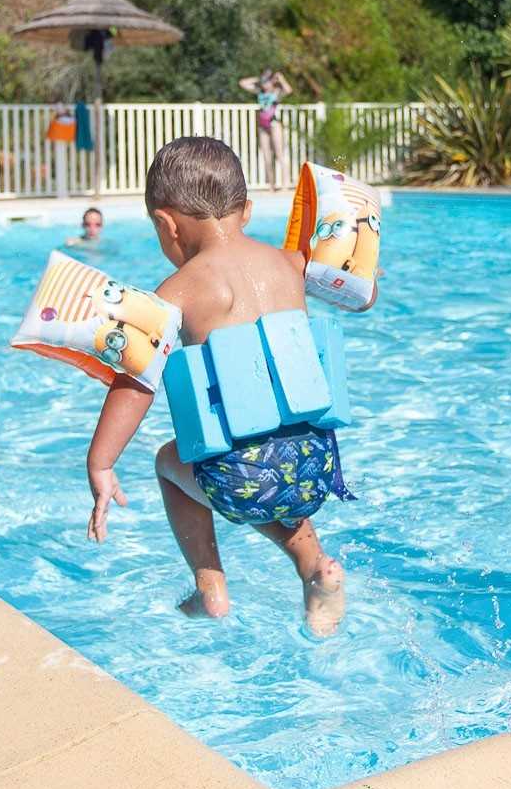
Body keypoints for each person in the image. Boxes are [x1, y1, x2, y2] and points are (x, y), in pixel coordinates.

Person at [82, 137, 351, 635]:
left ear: (166, 224)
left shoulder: (177, 291)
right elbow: (358, 291)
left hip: (240, 479)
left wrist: (100, 464)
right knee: (272, 459)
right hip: (318, 464)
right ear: (246, 210)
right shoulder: (291, 263)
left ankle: (211, 589)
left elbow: (135, 383)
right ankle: (316, 569)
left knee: (170, 462)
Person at [237, 69, 292, 189]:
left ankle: (285, 185)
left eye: (267, 82)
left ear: (272, 82)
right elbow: (242, 83)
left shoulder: (276, 92)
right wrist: (258, 78)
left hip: (274, 124)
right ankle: (271, 186)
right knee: (266, 156)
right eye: (264, 82)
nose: (265, 84)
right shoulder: (260, 92)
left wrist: (281, 78)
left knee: (279, 154)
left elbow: (288, 90)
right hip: (263, 126)